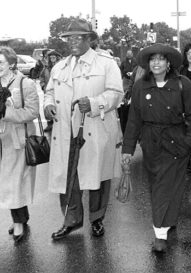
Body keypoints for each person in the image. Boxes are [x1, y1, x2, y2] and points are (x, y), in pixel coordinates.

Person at [43, 19, 124, 240]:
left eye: (79, 37)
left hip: (94, 129)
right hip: (65, 133)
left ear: (90, 39)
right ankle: (71, 220)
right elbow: (49, 91)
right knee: (68, 179)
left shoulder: (106, 63)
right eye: (69, 38)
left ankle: (97, 219)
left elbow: (117, 94)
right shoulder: (59, 66)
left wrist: (95, 103)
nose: (73, 42)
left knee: (97, 177)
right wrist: (48, 104)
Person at [122, 43, 191, 252]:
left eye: (160, 59)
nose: (156, 63)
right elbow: (133, 121)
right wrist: (127, 150)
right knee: (159, 187)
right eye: (152, 59)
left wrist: (189, 142)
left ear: (168, 63)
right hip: (151, 144)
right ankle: (161, 230)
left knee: (173, 187)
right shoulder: (140, 86)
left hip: (177, 143)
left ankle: (162, 230)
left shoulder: (183, 84)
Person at [0, 46, 39, 242]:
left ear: (11, 63)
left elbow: (33, 112)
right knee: (9, 184)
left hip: (18, 141)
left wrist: (7, 113)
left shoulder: (25, 83)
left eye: (0, 62)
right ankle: (22, 216)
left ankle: (19, 222)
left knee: (13, 184)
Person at [39, 50, 62, 133]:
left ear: (57, 58)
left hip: (59, 91)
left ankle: (59, 125)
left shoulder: (61, 67)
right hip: (47, 91)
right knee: (47, 107)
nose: (52, 59)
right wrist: (42, 85)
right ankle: (49, 124)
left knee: (59, 108)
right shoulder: (46, 67)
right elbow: (41, 77)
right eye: (51, 57)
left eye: (53, 57)